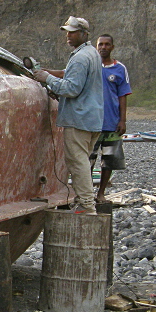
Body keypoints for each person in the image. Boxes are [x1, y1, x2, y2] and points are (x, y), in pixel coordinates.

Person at [34, 16, 103, 214]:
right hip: (93, 117)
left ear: (83, 34)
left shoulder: (81, 57)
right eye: (67, 32)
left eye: (72, 32)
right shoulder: (91, 53)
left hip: (79, 119)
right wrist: (52, 73)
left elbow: (72, 88)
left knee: (77, 162)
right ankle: (86, 202)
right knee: (83, 160)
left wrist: (46, 78)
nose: (68, 36)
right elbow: (71, 74)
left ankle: (86, 206)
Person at [90, 34, 132, 203]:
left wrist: (122, 120)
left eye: (107, 44)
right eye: (101, 44)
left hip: (112, 123)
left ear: (112, 47)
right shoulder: (90, 66)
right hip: (91, 122)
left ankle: (101, 194)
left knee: (108, 161)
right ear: (96, 46)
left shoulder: (120, 68)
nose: (104, 47)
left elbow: (123, 95)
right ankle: (84, 194)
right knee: (88, 160)